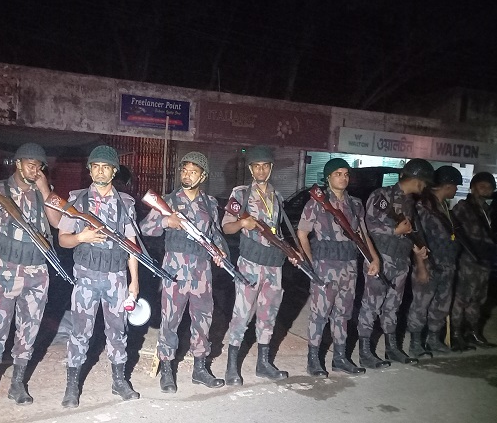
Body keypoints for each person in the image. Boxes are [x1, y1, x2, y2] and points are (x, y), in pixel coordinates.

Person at [0, 143, 61, 412]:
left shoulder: (44, 192)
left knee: (29, 331)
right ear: (18, 163)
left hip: (37, 272)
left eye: (39, 166)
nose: (35, 169)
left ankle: (17, 384)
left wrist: (45, 189)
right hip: (5, 271)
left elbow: (57, 223)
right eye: (30, 164)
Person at [58, 145, 140, 408]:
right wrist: (81, 237)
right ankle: (72, 386)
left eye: (106, 167)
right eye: (96, 166)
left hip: (116, 277)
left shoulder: (125, 203)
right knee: (80, 331)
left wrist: (134, 282)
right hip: (86, 277)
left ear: (114, 171)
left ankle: (119, 381)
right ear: (90, 170)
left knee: (118, 330)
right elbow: (63, 240)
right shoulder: (77, 201)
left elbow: (132, 245)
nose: (101, 171)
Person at [140, 151, 226, 393]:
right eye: (184, 171)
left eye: (193, 172)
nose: (187, 176)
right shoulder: (168, 201)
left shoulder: (209, 204)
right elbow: (144, 228)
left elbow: (216, 233)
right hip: (174, 271)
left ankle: (200, 368)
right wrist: (166, 222)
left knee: (203, 319)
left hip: (202, 271)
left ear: (203, 176)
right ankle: (167, 370)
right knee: (170, 320)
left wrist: (221, 250)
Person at [297, 158, 380, 377]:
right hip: (324, 266)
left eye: (346, 174)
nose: (343, 178)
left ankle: (340, 358)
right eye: (338, 174)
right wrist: (310, 264)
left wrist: (374, 259)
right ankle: (313, 360)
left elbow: (363, 234)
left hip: (349, 266)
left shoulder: (355, 204)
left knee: (343, 314)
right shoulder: (317, 202)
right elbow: (302, 233)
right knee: (319, 314)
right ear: (328, 177)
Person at [220, 146, 289, 385]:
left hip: (273, 265)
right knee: (242, 315)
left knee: (268, 315)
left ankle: (263, 364)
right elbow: (226, 226)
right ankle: (231, 368)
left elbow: (277, 232)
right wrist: (242, 224)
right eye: (256, 166)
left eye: (265, 166)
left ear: (271, 168)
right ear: (250, 169)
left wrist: (289, 252)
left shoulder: (277, 197)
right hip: (250, 264)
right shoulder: (240, 194)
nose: (261, 170)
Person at [358, 158, 432, 367]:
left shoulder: (410, 202)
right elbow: (366, 227)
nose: (425, 186)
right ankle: (365, 352)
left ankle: (392, 348)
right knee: (371, 305)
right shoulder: (382, 195)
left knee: (393, 306)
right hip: (381, 259)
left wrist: (417, 247)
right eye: (425, 182)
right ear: (418, 180)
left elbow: (411, 231)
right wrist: (394, 230)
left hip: (401, 260)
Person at [406, 166, 463, 357]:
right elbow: (417, 239)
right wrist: (421, 267)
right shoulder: (423, 208)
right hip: (429, 264)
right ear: (447, 186)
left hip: (447, 265)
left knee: (442, 304)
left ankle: (433, 339)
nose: (456, 190)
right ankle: (415, 343)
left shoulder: (443, 207)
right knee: (421, 304)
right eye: (455, 186)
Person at [451, 172, 497, 349]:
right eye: (482, 186)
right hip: (467, 260)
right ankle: (456, 334)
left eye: (489, 187)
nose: (486, 189)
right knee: (461, 298)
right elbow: (454, 233)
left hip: (483, 262)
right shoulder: (463, 207)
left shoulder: (487, 210)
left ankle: (473, 332)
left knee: (478, 299)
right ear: (472, 187)